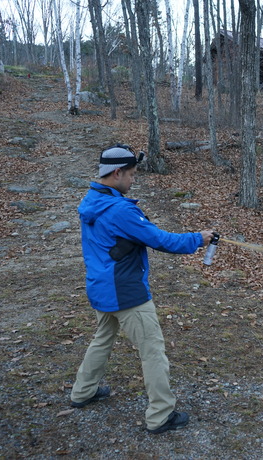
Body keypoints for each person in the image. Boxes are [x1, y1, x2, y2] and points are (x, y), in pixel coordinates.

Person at [70, 144, 215, 434]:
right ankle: (160, 415)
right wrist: (198, 238)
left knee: (102, 339)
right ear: (117, 172)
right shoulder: (120, 210)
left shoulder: (93, 199)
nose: (134, 179)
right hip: (126, 293)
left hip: (100, 287)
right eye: (132, 174)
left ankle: (82, 392)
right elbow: (161, 240)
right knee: (153, 351)